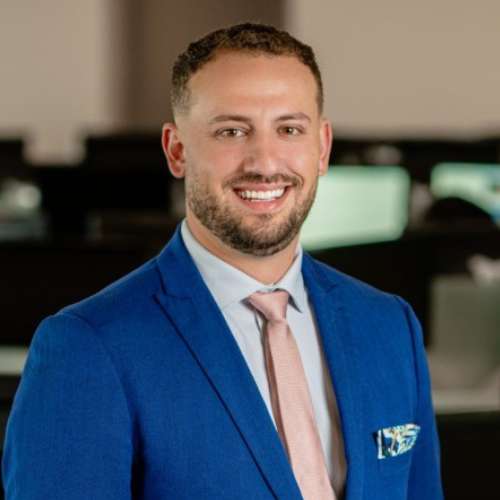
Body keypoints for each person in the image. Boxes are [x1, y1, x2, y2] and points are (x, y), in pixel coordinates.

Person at [2, 23, 443, 500]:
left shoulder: (388, 326)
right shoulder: (87, 347)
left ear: (322, 147)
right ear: (177, 151)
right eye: (231, 131)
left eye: (289, 130)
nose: (265, 162)